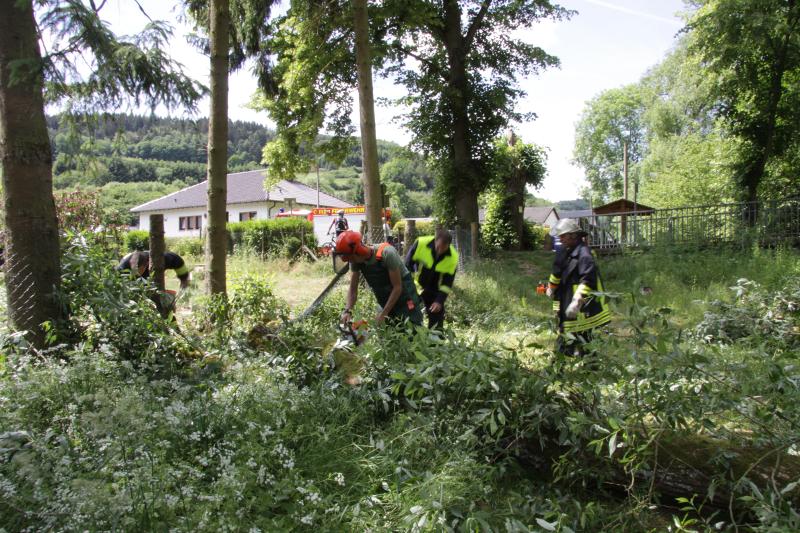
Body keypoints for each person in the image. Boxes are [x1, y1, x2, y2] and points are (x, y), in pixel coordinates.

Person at [547, 219, 610, 356]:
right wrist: (551, 287)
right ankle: (565, 367)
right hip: (567, 301)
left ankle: (571, 369)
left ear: (573, 235)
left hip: (584, 306)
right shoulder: (565, 251)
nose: (560, 239)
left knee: (583, 339)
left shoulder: (585, 253)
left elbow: (588, 280)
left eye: (563, 236)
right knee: (568, 335)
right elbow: (557, 271)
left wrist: (577, 301)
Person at [336, 230, 423, 327]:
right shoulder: (355, 260)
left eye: (351, 258)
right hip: (386, 298)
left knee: (413, 328)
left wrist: (383, 314)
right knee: (390, 332)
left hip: (404, 296)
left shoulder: (387, 253)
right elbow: (353, 290)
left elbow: (397, 287)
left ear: (359, 251)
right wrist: (348, 310)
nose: (351, 262)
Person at [404, 229, 458, 329]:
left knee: (437, 314)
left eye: (444, 248)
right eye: (438, 247)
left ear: (449, 245)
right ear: (434, 240)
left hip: (434, 290)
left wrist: (439, 301)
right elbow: (407, 266)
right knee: (408, 310)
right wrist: (408, 287)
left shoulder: (453, 257)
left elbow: (447, 283)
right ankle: (410, 336)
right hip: (414, 286)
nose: (440, 251)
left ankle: (435, 342)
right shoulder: (421, 243)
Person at [116, 250, 191, 289]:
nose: (135, 273)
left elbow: (177, 260)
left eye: (137, 271)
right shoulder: (122, 268)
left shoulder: (159, 259)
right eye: (133, 270)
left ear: (146, 264)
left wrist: (183, 278)